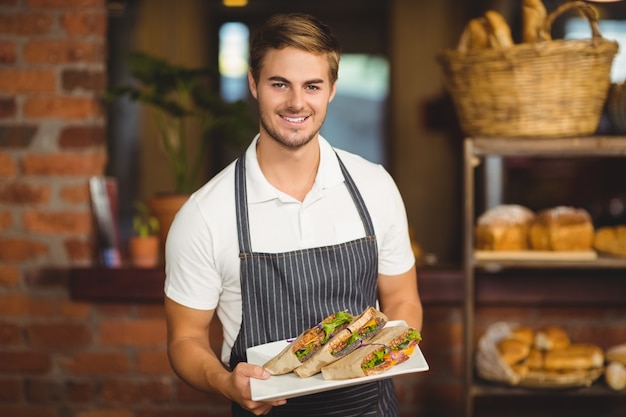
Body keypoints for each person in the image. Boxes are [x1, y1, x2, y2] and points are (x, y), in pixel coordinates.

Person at [164, 12, 423, 417]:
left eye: (312, 86)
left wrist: (382, 350)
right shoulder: (204, 214)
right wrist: (223, 381)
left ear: (332, 90)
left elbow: (404, 299)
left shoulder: (375, 187)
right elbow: (185, 339)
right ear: (254, 84)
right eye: (279, 84)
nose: (296, 102)